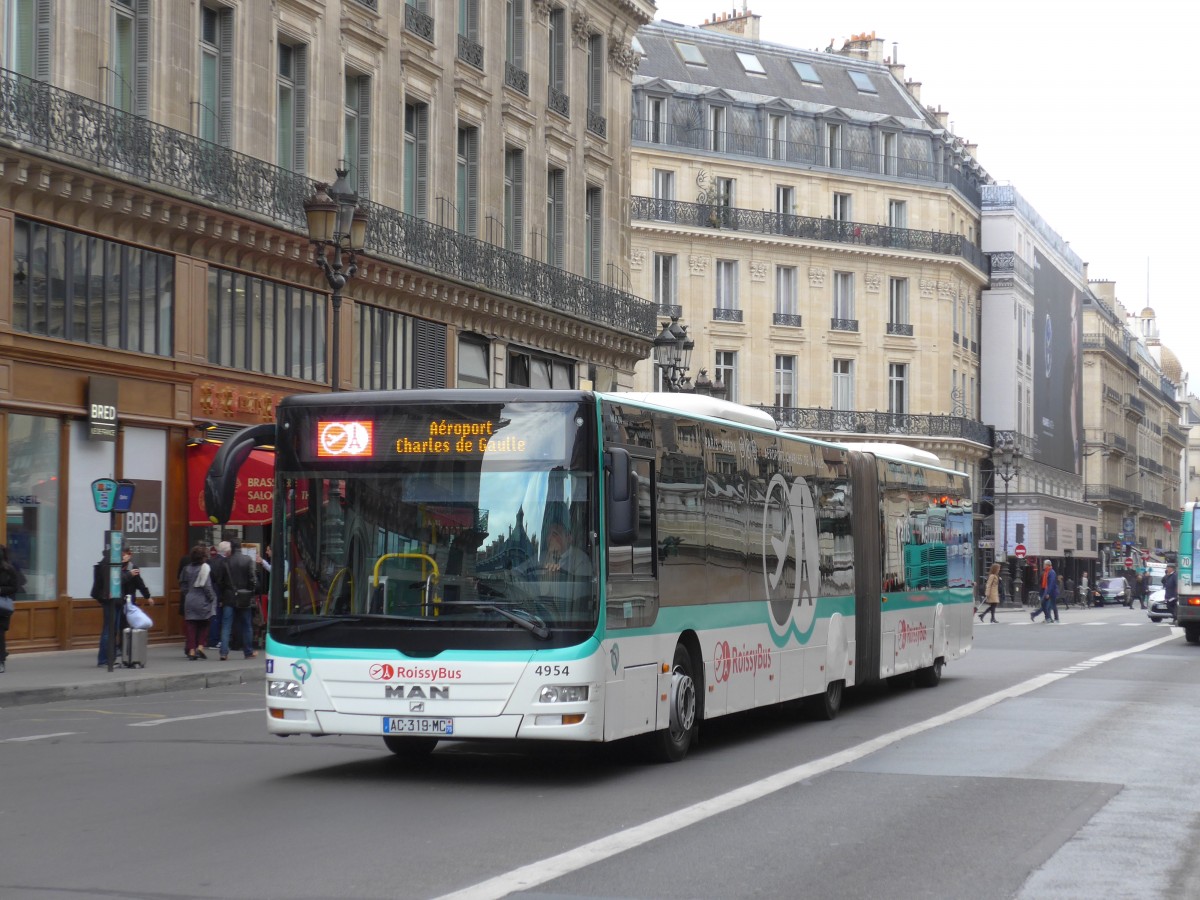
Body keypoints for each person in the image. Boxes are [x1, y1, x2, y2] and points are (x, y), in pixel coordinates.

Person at [218, 539, 258, 660]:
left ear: (231, 547)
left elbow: (220, 581)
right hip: (244, 596)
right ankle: (248, 651)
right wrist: (250, 592)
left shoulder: (225, 561)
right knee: (246, 625)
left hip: (229, 596)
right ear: (240, 547)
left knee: (226, 625)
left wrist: (223, 593)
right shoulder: (247, 560)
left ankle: (224, 652)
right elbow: (253, 579)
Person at [179, 545, 218, 660]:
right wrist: (212, 598)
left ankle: (191, 650)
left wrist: (188, 594)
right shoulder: (205, 568)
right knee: (204, 624)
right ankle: (200, 646)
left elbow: (183, 584)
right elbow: (207, 586)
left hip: (190, 599)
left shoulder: (186, 568)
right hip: (202, 599)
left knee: (191, 626)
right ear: (203, 557)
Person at [0, 544, 26, 674]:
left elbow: (15, 586)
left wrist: (0, 590)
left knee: (0, 635)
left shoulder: (9, 569)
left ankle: (1, 661)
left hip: (2, 607)